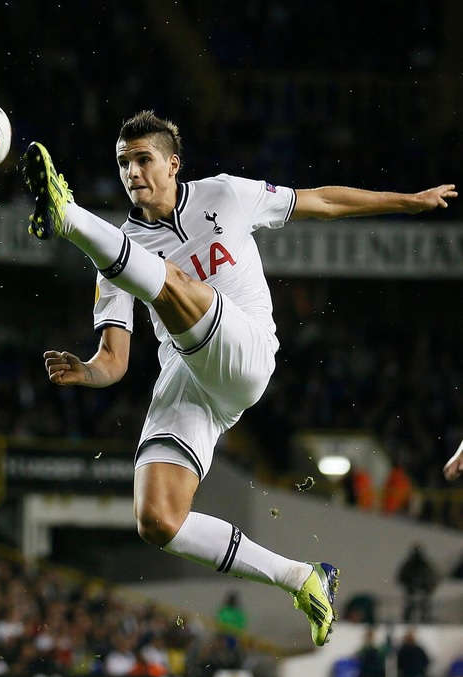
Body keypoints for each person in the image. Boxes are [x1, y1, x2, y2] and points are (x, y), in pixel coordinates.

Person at [22, 110, 456, 647]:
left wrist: (408, 201)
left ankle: (68, 217)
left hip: (246, 348)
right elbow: (115, 359)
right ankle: (301, 577)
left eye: (142, 159)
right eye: (122, 163)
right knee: (158, 519)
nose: (131, 172)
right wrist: (87, 371)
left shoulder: (225, 195)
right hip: (186, 377)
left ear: (173, 163)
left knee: (171, 282)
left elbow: (319, 201)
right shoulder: (118, 254)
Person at [396, 544, 438, 623]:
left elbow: (431, 576)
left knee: (424, 605)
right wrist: (408, 583)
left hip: (423, 588)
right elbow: (402, 576)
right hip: (411, 588)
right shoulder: (410, 564)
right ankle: (408, 620)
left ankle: (424, 620)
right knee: (410, 605)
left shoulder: (424, 564)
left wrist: (427, 586)